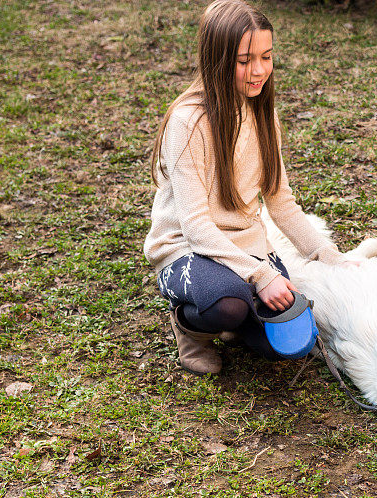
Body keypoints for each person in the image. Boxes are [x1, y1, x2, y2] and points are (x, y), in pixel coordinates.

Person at [144, 0, 354, 375]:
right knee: (230, 304)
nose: (259, 71)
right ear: (217, 60)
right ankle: (191, 327)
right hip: (185, 249)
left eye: (266, 57)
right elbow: (196, 227)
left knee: (285, 348)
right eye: (244, 61)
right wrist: (262, 276)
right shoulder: (188, 121)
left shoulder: (262, 112)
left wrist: (328, 255)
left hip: (245, 247)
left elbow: (281, 202)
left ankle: (235, 316)